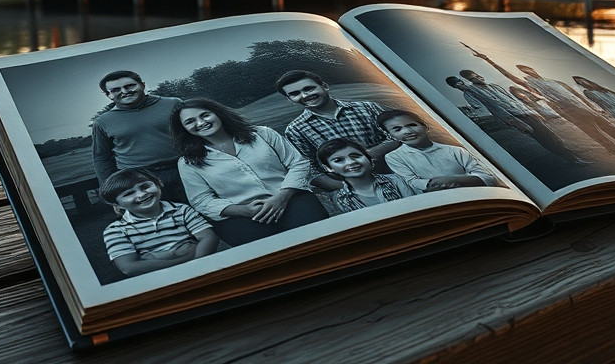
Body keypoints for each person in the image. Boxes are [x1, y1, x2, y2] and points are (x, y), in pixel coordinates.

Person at [171, 98, 328, 245]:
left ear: (218, 113)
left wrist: (282, 197)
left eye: (205, 115)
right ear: (183, 129)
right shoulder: (188, 162)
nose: (200, 123)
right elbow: (202, 200)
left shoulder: (262, 134)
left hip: (291, 197)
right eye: (190, 121)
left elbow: (298, 163)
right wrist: (244, 210)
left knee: (316, 240)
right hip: (240, 214)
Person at [466, 47, 615, 156]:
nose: (526, 71)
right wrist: (489, 60)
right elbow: (508, 75)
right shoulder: (530, 83)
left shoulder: (554, 81)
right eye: (523, 70)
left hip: (582, 106)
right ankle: (614, 149)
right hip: (566, 110)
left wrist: (593, 107)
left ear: (532, 68)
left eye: (527, 68)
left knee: (611, 127)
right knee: (593, 131)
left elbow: (576, 95)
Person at [277, 70, 398, 190]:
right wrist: (352, 188)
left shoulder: (367, 107)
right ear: (290, 99)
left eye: (308, 89)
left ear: (324, 86)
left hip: (395, 172)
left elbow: (398, 136)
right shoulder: (295, 130)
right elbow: (311, 170)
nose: (304, 96)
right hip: (350, 187)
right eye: (295, 94)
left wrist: (369, 154)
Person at [449, 72, 590, 167]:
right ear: (468, 81)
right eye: (473, 78)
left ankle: (573, 155)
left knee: (551, 134)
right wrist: (514, 122)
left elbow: (514, 100)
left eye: (477, 75)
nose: (478, 78)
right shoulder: (472, 92)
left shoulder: (494, 86)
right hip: (516, 118)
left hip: (527, 113)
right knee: (544, 139)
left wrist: (533, 112)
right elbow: (492, 109)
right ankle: (573, 160)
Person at [99, 167, 220, 277]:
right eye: (129, 193)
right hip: (158, 280)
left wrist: (197, 265)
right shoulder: (116, 230)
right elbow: (129, 268)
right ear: (117, 205)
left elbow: (209, 238)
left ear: (158, 184)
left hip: (201, 271)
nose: (142, 194)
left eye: (145, 186)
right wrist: (185, 260)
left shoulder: (182, 210)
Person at [90, 70, 185, 200]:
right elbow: (101, 158)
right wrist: (110, 192)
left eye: (129, 86)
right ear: (108, 95)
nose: (125, 91)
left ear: (143, 85)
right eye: (116, 90)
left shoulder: (173, 104)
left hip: (184, 169)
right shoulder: (102, 122)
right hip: (138, 180)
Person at [378, 108, 499, 191]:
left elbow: (487, 177)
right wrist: (439, 184)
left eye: (412, 125)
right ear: (390, 136)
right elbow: (412, 182)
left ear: (425, 126)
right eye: (397, 129)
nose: (407, 131)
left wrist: (454, 180)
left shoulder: (455, 151)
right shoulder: (394, 157)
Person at [316, 138, 419, 213]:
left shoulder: (396, 180)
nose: (351, 162)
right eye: (339, 160)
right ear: (329, 168)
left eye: (356, 156)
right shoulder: (340, 199)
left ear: (368, 158)